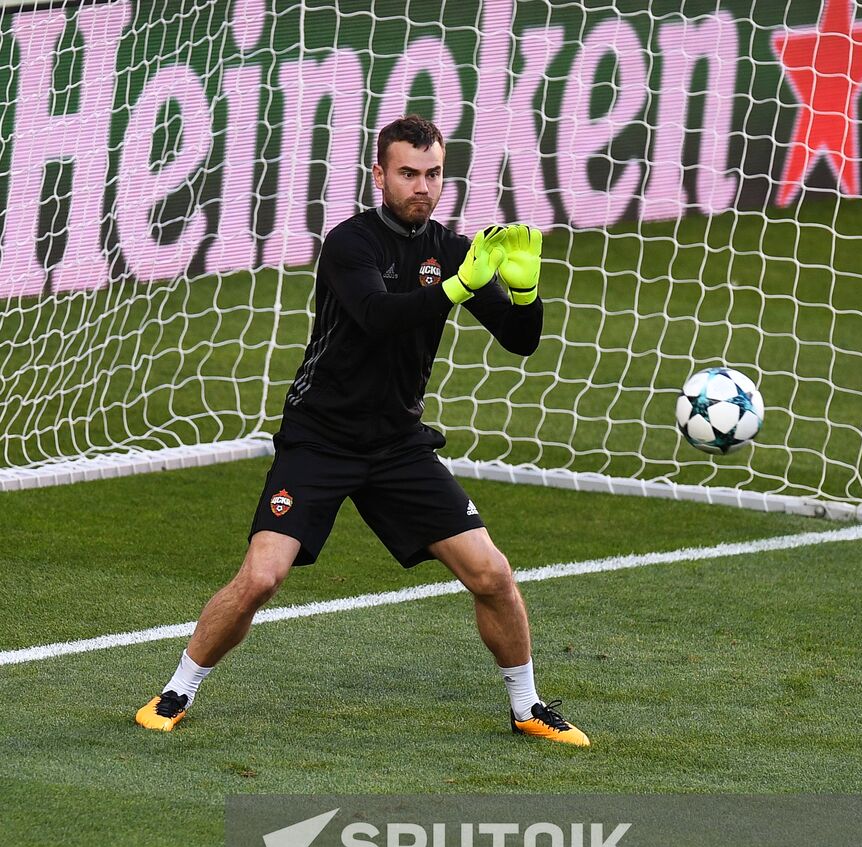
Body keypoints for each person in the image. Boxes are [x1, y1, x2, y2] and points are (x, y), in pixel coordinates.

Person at [136, 114, 589, 747]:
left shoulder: (456, 250)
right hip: (319, 439)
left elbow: (522, 340)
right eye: (407, 174)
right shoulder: (350, 244)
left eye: (432, 175)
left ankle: (527, 705)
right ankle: (179, 686)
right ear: (379, 175)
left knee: (492, 574)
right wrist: (460, 287)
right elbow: (378, 316)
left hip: (398, 445)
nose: (421, 188)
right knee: (263, 576)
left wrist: (526, 289)